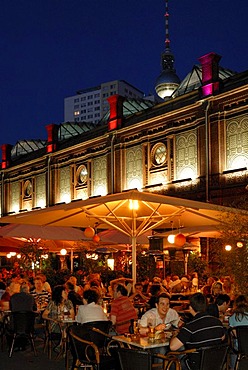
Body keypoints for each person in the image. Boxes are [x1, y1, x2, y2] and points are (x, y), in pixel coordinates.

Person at [170, 292, 226, 370]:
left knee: (172, 363)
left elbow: (173, 347)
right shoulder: (217, 322)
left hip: (195, 365)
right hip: (216, 364)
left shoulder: (190, 326)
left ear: (190, 308)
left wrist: (175, 334)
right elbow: (222, 338)